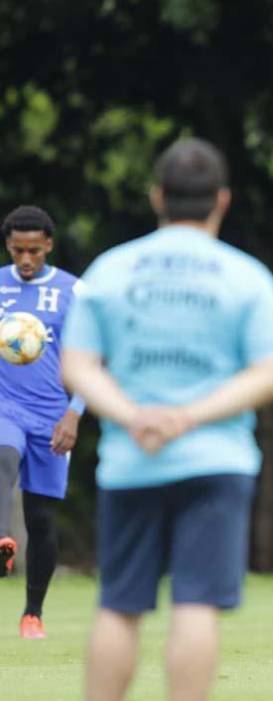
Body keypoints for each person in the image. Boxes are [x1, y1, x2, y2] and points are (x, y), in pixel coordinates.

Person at [61, 137, 273, 699]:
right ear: (222, 200)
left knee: (119, 606)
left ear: (157, 196)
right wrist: (187, 418)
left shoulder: (111, 270)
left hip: (129, 461)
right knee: (195, 605)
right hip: (216, 461)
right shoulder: (247, 276)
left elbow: (77, 367)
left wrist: (135, 418)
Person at [0, 205, 85, 639]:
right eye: (18, 251)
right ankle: (0, 538)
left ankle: (33, 613)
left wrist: (75, 412)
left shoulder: (74, 291)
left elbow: (92, 359)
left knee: (41, 519)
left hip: (52, 415)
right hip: (5, 403)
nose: (26, 259)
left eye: (34, 250)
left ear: (48, 244)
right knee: (3, 451)